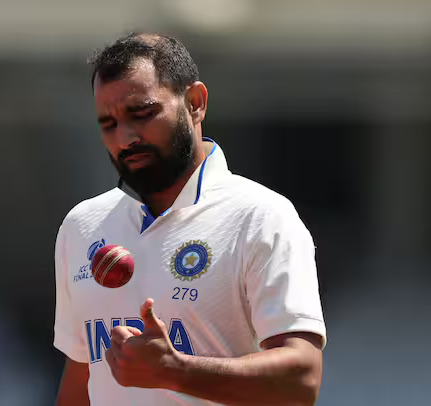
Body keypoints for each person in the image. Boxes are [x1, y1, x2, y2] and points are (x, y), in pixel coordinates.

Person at [54, 32, 326, 406]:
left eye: (142, 113)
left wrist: (174, 371)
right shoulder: (82, 226)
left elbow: (301, 379)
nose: (125, 138)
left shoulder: (261, 216)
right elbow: (81, 376)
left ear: (195, 103)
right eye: (108, 123)